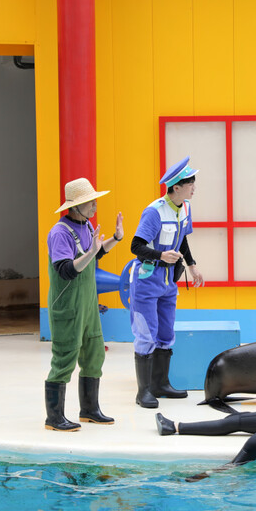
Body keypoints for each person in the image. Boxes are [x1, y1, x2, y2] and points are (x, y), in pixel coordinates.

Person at [44, 177, 124, 432]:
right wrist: (90, 254)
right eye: (90, 203)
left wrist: (115, 238)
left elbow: (96, 254)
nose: (95, 207)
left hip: (88, 305)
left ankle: (89, 409)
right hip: (67, 306)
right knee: (65, 357)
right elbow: (67, 270)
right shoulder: (59, 233)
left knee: (94, 353)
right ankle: (54, 418)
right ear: (75, 206)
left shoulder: (87, 227)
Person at [130, 156, 205, 409]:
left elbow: (182, 239)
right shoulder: (154, 212)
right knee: (146, 333)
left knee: (165, 333)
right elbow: (136, 246)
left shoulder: (184, 208)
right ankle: (144, 391)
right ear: (175, 187)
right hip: (147, 278)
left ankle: (161, 384)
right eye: (190, 183)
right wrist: (161, 255)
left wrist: (192, 266)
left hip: (168, 281)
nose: (194, 187)